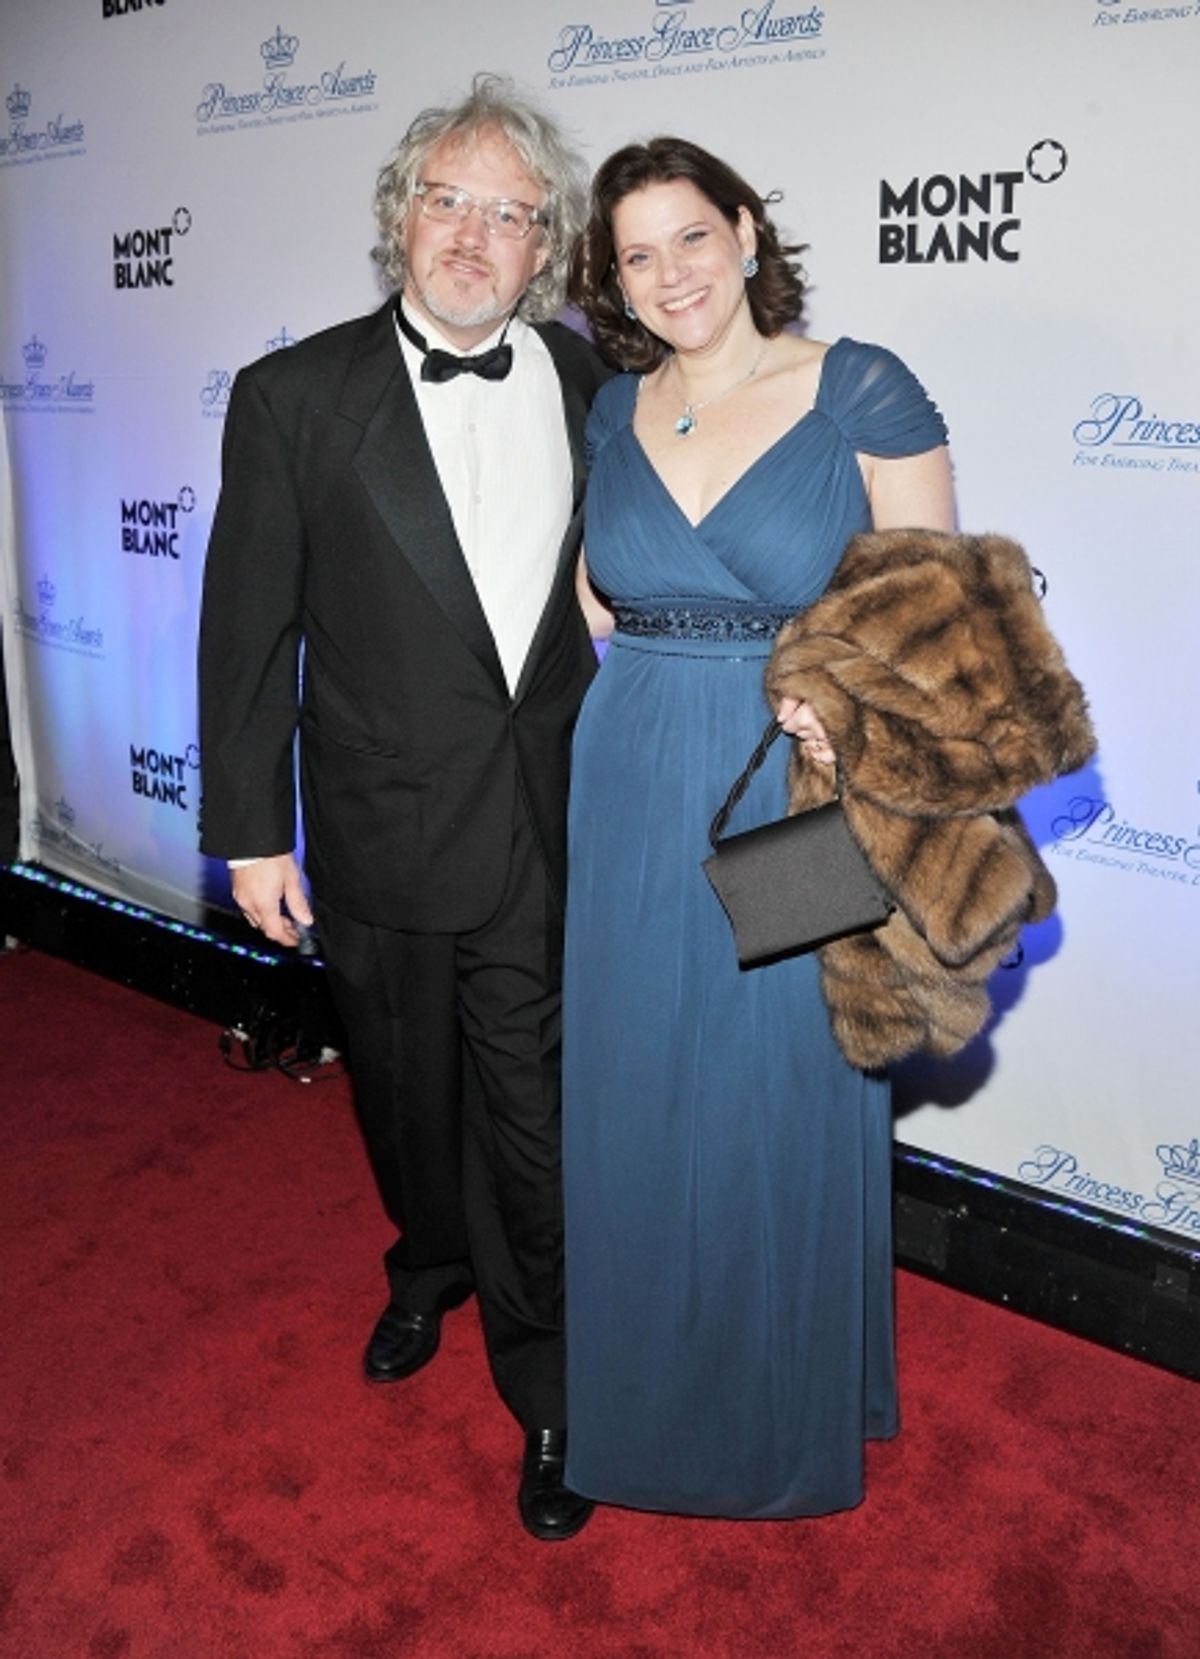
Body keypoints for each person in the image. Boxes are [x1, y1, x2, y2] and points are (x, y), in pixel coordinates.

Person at [197, 75, 610, 1542]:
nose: (475, 236)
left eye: (512, 215)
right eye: (451, 200)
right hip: (373, 826)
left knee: (533, 1114)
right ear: (401, 219)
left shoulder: (585, 383)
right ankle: (423, 1265)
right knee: (399, 1088)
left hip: (540, 828)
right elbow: (245, 632)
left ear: (546, 244)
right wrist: (251, 833)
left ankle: (553, 1390)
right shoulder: (296, 398)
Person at [562, 137, 955, 1518]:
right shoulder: (613, 409)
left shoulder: (857, 387)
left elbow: (932, 609)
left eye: (691, 235)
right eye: (636, 255)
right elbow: (598, 602)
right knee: (634, 1093)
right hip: (627, 779)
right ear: (612, 281)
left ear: (743, 229)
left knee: (776, 1093)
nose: (671, 273)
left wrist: (844, 698)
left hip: (791, 785)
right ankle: (639, 1402)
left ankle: (781, 1409)